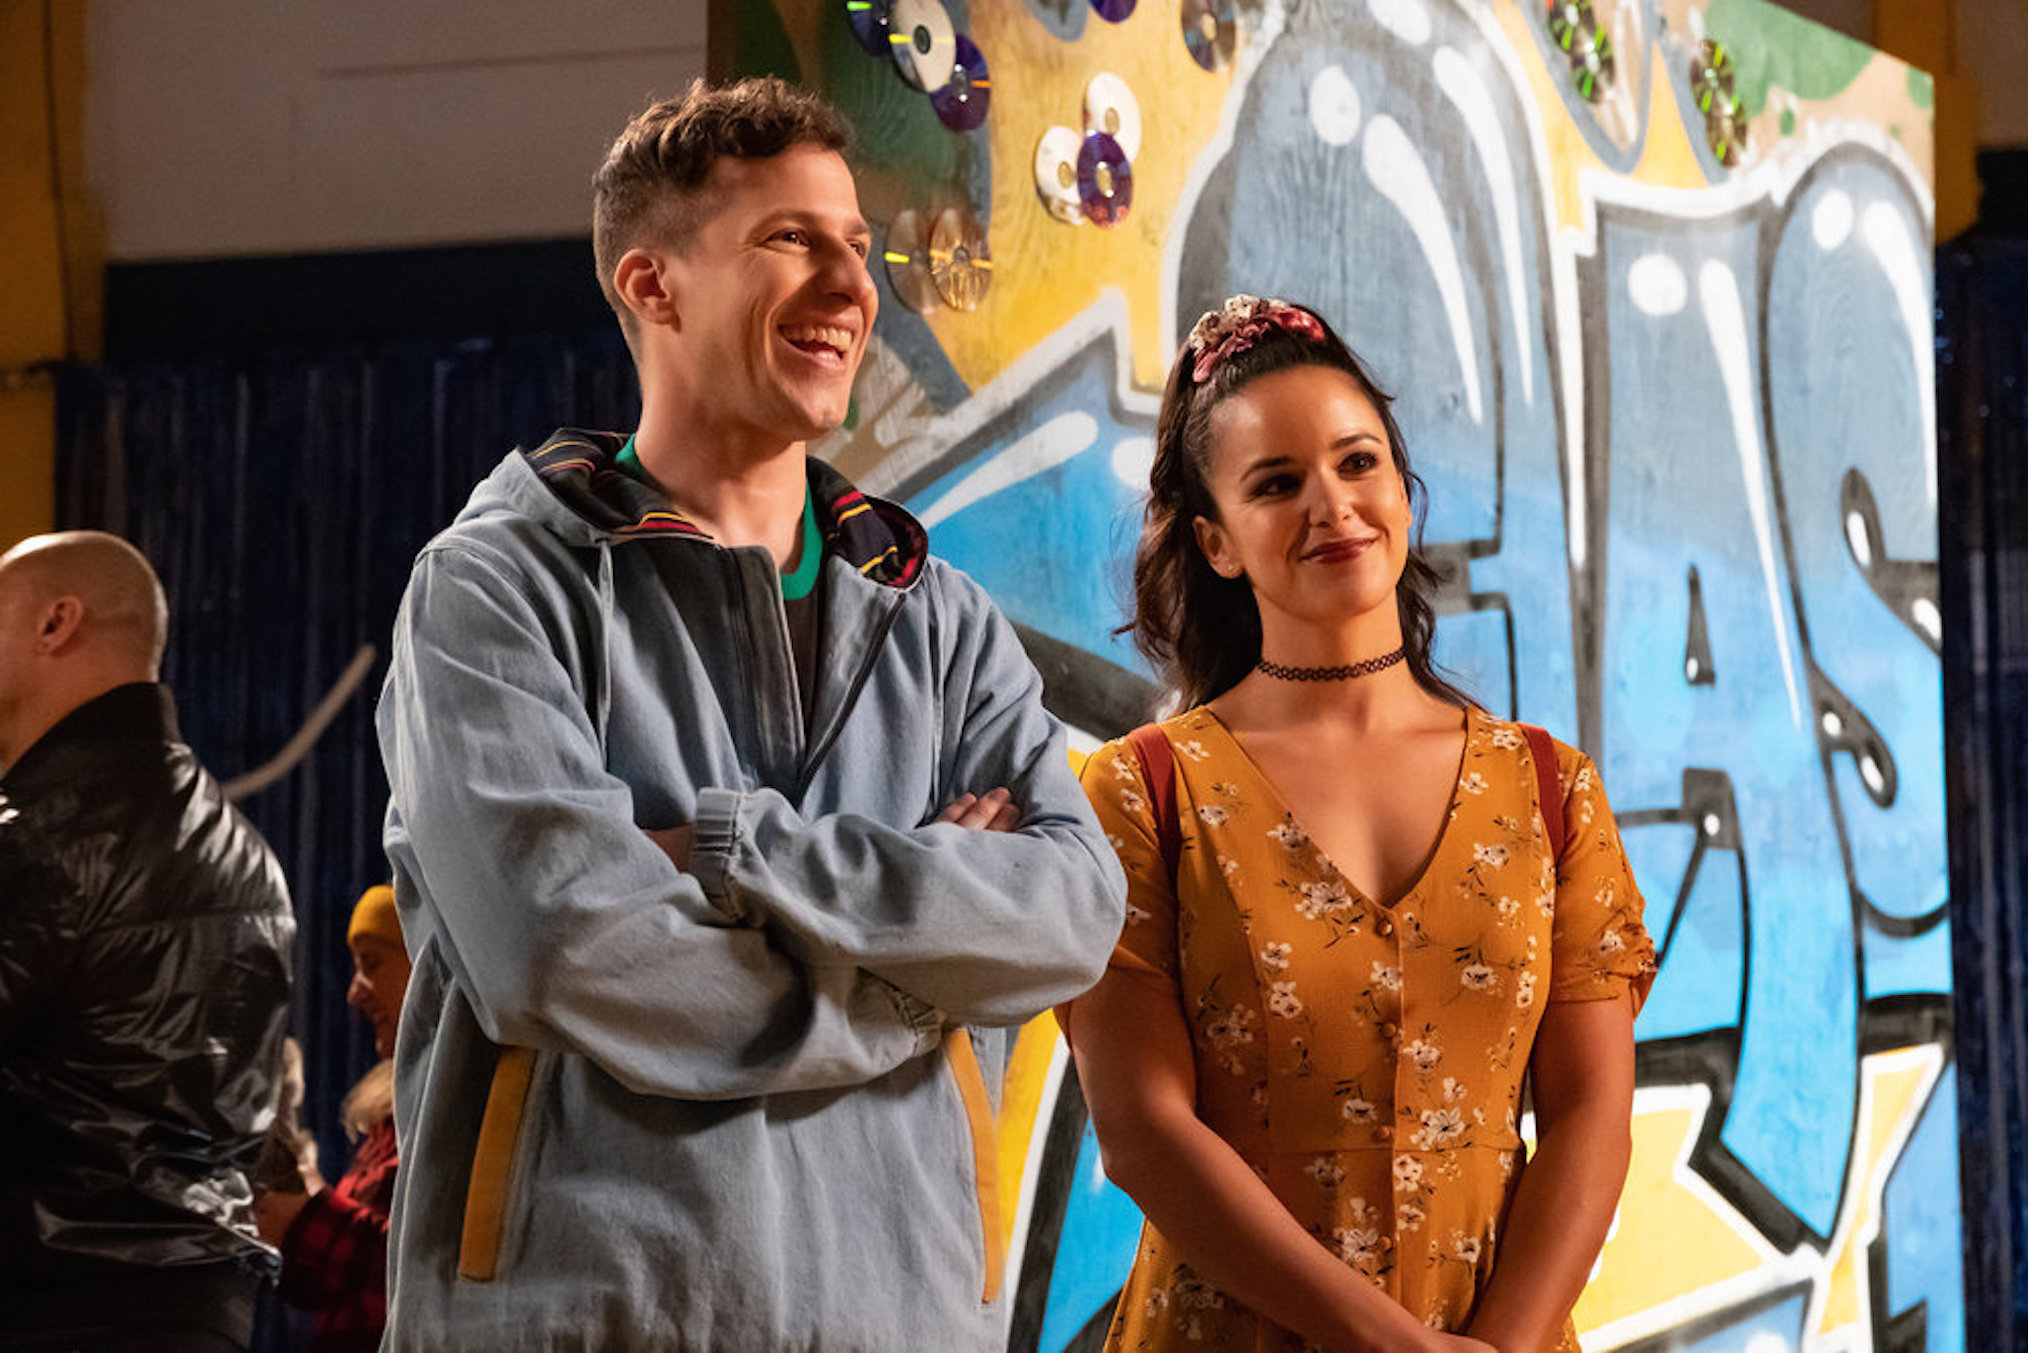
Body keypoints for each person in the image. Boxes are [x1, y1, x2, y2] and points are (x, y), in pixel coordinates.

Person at [375, 77, 1125, 1347]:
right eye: (791, 240)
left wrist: (733, 851)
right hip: (596, 1322)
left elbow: (1072, 914)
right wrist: (914, 986)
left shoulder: (939, 620)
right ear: (651, 284)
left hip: (901, 1322)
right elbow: (557, 948)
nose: (850, 288)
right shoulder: (494, 589)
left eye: (858, 247)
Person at [1063, 297, 1655, 1352]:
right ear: (1216, 541)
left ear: (1403, 495)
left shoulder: (1550, 790)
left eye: (1357, 463)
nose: (1331, 505)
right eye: (1276, 483)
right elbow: (1143, 1131)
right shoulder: (1144, 793)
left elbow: (1590, 1116)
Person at [0, 530, 294, 1352]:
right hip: (206, 1309)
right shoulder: (250, 853)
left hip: (52, 1305)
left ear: (56, 622)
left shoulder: (37, 835)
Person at [256, 884, 409, 1351]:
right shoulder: (389, 1114)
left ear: (423, 962)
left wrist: (306, 1214)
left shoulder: (456, 1099)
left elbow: (414, 1262)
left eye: (372, 964)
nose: (353, 992)